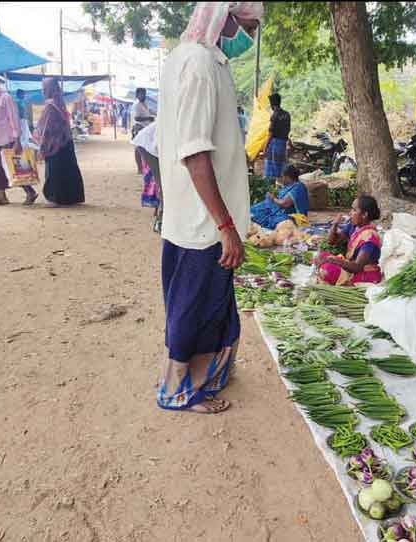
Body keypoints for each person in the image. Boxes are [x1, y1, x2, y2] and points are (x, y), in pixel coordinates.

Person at [156, 1, 264, 414]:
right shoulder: (198, 64)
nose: (250, 38)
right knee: (192, 307)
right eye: (248, 27)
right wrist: (225, 225)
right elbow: (195, 153)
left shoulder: (206, 60)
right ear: (226, 17)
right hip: (202, 222)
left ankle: (208, 377)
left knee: (213, 304)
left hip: (202, 217)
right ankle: (179, 390)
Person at [0, 71, 38, 206]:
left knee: (13, 169)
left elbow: (14, 120)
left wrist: (17, 141)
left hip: (6, 140)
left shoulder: (6, 98)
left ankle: (30, 192)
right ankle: (2, 196)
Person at [33, 77, 85, 206]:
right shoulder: (59, 102)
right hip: (65, 141)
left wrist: (42, 144)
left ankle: (55, 198)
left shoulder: (50, 105)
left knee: (55, 170)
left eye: (44, 89)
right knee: (68, 169)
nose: (43, 91)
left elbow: (46, 127)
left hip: (54, 143)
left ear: (49, 89)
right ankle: (71, 197)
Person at [317, 195, 383, 286]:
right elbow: (331, 241)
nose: (350, 213)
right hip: (350, 266)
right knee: (321, 256)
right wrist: (335, 224)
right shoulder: (353, 226)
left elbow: (357, 267)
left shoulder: (369, 237)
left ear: (364, 215)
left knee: (327, 270)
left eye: (354, 210)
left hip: (364, 273)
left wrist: (334, 260)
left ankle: (344, 281)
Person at [249, 164, 308, 229]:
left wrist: (273, 198)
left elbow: (284, 204)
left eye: (282, 177)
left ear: (287, 177)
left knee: (270, 220)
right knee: (254, 211)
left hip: (292, 217)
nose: (280, 179)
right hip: (279, 212)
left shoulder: (298, 187)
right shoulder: (287, 186)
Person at [131, 119, 162, 232]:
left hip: (150, 144)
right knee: (163, 183)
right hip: (147, 145)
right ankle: (160, 221)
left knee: (163, 183)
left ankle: (160, 215)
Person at [262, 92, 290, 179]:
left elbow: (271, 133)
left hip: (274, 144)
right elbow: (287, 130)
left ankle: (271, 186)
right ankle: (280, 183)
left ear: (272, 104)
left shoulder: (275, 115)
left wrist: (265, 146)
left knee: (271, 168)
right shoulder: (287, 114)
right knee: (281, 166)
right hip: (283, 143)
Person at [131, 88, 154, 173]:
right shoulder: (136, 105)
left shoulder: (144, 104)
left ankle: (144, 168)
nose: (143, 95)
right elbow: (136, 118)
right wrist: (148, 118)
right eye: (141, 94)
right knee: (138, 148)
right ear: (137, 95)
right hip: (138, 127)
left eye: (144, 93)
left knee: (144, 148)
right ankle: (139, 168)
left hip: (145, 128)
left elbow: (147, 113)